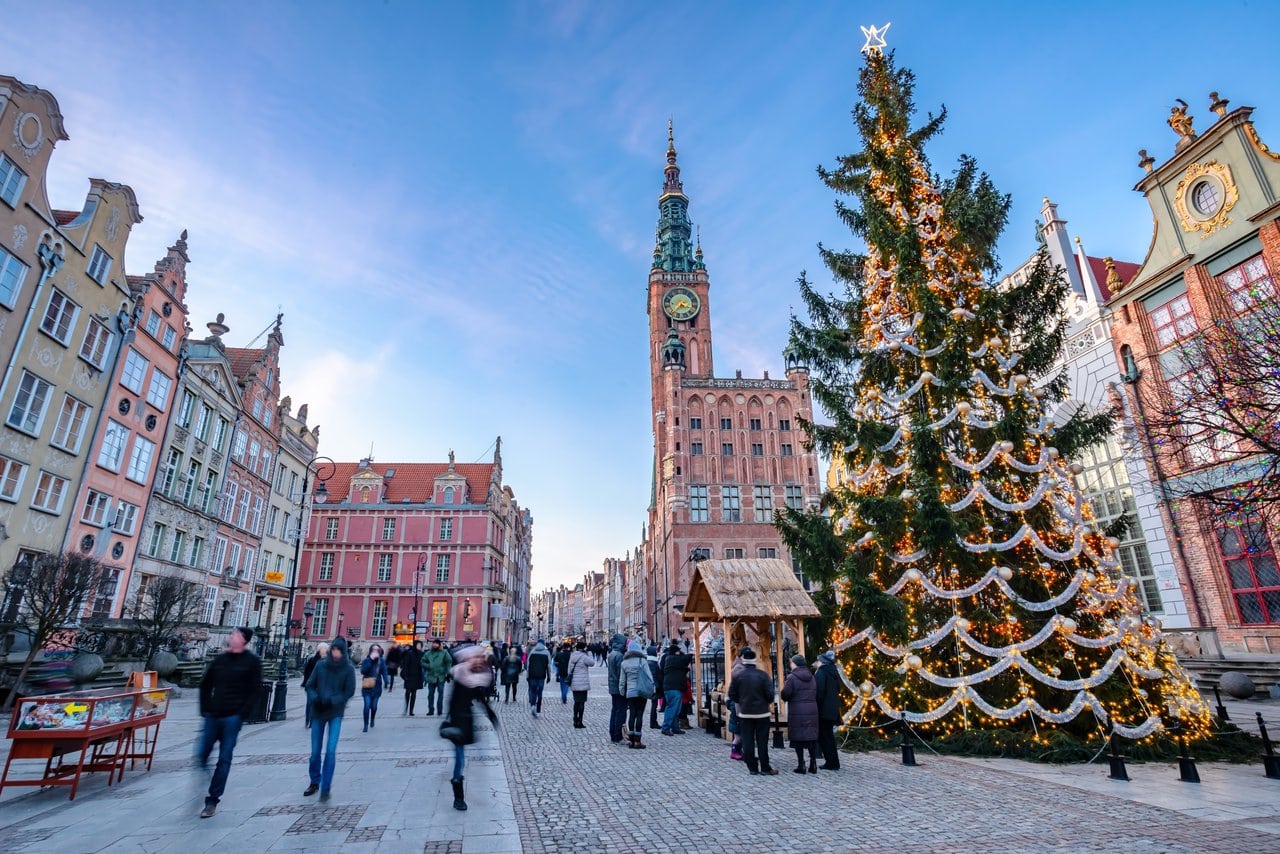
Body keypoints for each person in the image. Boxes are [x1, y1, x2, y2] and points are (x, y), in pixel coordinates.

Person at [196, 627, 262, 818]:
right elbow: (205, 684)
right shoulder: (220, 660)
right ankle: (209, 778)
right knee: (201, 755)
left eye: (235, 634)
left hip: (233, 718)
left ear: (243, 640)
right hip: (213, 715)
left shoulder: (252, 662)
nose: (231, 636)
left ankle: (212, 799)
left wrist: (242, 713)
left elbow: (256, 689)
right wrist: (205, 709)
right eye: (231, 634)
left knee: (224, 759)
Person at [441, 644, 498, 811]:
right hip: (458, 721)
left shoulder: (475, 678)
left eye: (480, 658)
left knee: (464, 757)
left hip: (467, 721)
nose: (478, 661)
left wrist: (491, 716)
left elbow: (480, 699)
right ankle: (458, 797)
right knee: (460, 759)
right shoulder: (460, 676)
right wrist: (451, 720)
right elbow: (452, 702)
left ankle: (459, 789)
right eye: (476, 658)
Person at [305, 636, 356, 801]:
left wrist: (333, 700)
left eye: (338, 651)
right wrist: (314, 698)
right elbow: (309, 685)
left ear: (343, 652)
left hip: (335, 713)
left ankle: (325, 787)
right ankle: (314, 781)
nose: (335, 653)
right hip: (318, 712)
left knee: (331, 751)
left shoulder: (348, 669)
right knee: (314, 752)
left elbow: (349, 691)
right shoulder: (320, 666)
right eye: (333, 650)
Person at [728, 648, 777, 776]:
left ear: (743, 660)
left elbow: (731, 694)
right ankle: (765, 767)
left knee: (747, 740)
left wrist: (742, 701)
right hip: (762, 713)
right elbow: (770, 694)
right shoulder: (762, 675)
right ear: (755, 661)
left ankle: (752, 767)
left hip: (745, 713)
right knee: (762, 741)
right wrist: (764, 701)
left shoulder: (738, 676)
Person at [781, 654, 819, 774]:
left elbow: (786, 694)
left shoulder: (792, 677)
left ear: (795, 664)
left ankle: (801, 764)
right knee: (810, 737)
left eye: (792, 663)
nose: (791, 664)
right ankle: (813, 763)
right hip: (812, 710)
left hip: (797, 710)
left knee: (798, 738)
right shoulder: (812, 677)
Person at [619, 639, 655, 749]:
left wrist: (622, 691)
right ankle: (638, 741)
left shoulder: (624, 663)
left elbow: (622, 681)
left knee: (632, 715)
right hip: (641, 691)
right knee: (639, 714)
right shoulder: (642, 661)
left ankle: (631, 741)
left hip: (630, 692)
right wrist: (652, 687)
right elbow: (649, 677)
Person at [814, 649, 844, 771]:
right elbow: (838, 689)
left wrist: (817, 705)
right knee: (829, 736)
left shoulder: (822, 672)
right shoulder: (834, 671)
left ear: (822, 662)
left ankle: (831, 763)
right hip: (832, 709)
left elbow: (819, 691)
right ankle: (833, 761)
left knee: (825, 737)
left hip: (823, 710)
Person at [659, 639, 691, 736]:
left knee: (675, 708)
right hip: (674, 688)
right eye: (678, 651)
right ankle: (666, 727)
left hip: (671, 687)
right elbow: (687, 658)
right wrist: (687, 650)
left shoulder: (670, 659)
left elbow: (680, 670)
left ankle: (675, 727)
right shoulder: (673, 658)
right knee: (673, 709)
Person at [359, 643, 390, 732]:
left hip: (377, 686)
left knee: (374, 706)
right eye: (374, 650)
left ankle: (372, 719)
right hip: (367, 685)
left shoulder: (381, 661)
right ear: (371, 651)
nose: (376, 651)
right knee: (367, 705)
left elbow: (384, 671)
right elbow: (363, 671)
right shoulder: (367, 660)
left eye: (377, 650)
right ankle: (365, 725)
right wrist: (370, 660)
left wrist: (386, 681)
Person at [605, 633, 628, 744]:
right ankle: (618, 735)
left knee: (615, 710)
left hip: (613, 686)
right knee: (620, 712)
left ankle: (613, 733)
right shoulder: (619, 656)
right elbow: (621, 674)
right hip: (619, 687)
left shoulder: (612, 654)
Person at [567, 640, 594, 728]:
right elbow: (592, 663)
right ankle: (580, 722)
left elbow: (569, 669)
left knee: (576, 702)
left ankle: (575, 720)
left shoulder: (573, 656)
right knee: (582, 702)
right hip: (583, 683)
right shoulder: (584, 657)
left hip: (575, 682)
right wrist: (589, 652)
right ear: (583, 648)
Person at [302, 643, 328, 729]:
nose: (325, 650)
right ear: (319, 650)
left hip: (321, 686)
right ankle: (308, 720)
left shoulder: (328, 661)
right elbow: (306, 672)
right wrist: (307, 683)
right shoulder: (312, 660)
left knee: (315, 703)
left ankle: (313, 721)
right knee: (309, 703)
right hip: (312, 685)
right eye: (324, 648)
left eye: (326, 648)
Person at [423, 639, 452, 716]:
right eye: (434, 644)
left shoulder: (444, 653)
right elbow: (422, 661)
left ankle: (439, 710)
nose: (435, 645)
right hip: (431, 676)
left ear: (439, 645)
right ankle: (430, 710)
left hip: (441, 677)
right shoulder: (428, 653)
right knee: (430, 695)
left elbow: (449, 662)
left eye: (436, 644)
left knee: (440, 694)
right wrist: (429, 666)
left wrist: (447, 671)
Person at [525, 638, 552, 717]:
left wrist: (527, 676)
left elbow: (528, 665)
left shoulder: (532, 652)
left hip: (533, 675)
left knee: (533, 691)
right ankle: (538, 709)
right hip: (542, 676)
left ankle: (533, 705)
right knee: (540, 691)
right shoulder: (546, 652)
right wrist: (549, 677)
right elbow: (548, 666)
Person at [400, 640, 425, 716]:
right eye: (418, 645)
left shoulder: (422, 654)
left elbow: (424, 664)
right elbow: (405, 664)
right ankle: (406, 708)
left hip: (417, 675)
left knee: (414, 693)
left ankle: (411, 710)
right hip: (409, 675)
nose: (419, 647)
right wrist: (404, 674)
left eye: (420, 645)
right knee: (407, 692)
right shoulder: (409, 653)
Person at [645, 645, 662, 730]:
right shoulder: (652, 663)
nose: (657, 653)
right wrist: (656, 686)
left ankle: (654, 722)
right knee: (654, 705)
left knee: (654, 705)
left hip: (653, 686)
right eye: (655, 651)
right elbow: (653, 676)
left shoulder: (651, 661)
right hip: (654, 687)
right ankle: (653, 722)